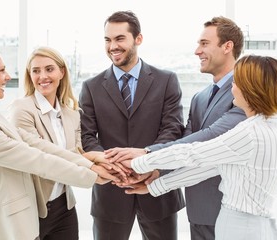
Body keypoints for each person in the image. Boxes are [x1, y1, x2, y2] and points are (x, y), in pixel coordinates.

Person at [0, 42, 119, 240]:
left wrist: (89, 163)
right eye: (2, 70)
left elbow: (37, 145)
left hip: (36, 213)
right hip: (11, 223)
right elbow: (37, 160)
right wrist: (92, 175)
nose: (8, 77)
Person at [119, 54, 277, 240]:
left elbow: (193, 153)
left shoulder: (250, 133)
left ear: (249, 89)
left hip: (239, 227)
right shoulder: (275, 128)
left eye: (236, 82)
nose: (232, 87)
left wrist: (139, 162)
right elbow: (210, 168)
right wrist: (156, 186)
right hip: (258, 226)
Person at [105, 16, 246, 239]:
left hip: (231, 210)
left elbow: (210, 137)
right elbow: (185, 142)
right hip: (198, 210)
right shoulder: (200, 98)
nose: (197, 51)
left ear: (228, 46)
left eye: (204, 43)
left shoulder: (246, 94)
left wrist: (146, 154)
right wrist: (157, 172)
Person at [79, 10, 185, 240]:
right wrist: (117, 168)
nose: (112, 46)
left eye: (119, 39)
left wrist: (148, 164)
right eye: (107, 40)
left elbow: (172, 130)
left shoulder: (166, 81)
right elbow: (87, 137)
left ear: (138, 39)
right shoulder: (91, 87)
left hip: (158, 187)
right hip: (111, 190)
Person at [9, 46, 89, 239]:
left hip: (65, 207)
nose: (42, 76)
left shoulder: (72, 115)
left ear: (62, 72)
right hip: (33, 209)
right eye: (36, 71)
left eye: (49, 69)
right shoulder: (22, 109)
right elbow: (38, 159)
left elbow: (77, 155)